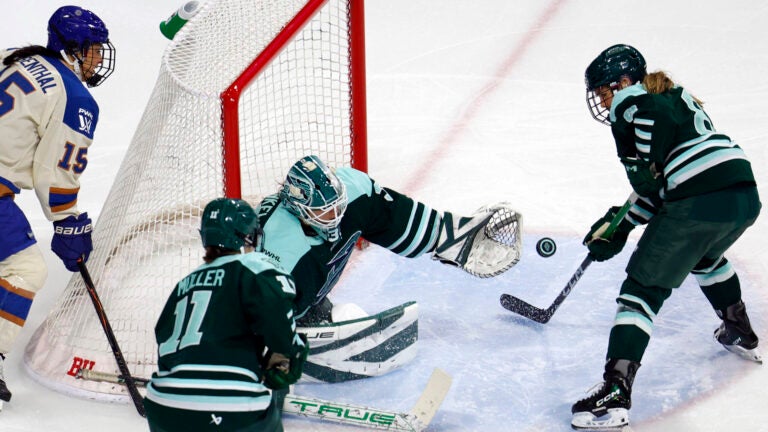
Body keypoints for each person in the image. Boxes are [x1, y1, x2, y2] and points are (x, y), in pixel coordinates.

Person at [570, 44, 762, 430]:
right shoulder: (674, 98)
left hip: (699, 196)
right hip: (742, 192)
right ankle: (739, 329)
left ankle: (615, 391)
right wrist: (621, 223)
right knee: (704, 258)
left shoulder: (634, 100)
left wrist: (621, 223)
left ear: (624, 81)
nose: (604, 100)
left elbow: (660, 181)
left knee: (641, 290)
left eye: (605, 90)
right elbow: (663, 186)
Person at [0, 5, 116, 405]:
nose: (99, 58)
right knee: (26, 268)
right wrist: (68, 222)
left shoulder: (15, 59)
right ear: (71, 50)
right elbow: (55, 174)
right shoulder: (75, 96)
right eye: (94, 49)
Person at [256, 154, 522, 325]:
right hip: (277, 306)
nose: (335, 215)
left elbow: (392, 218)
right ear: (297, 209)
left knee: (366, 209)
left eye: (337, 205)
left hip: (303, 291)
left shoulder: (353, 192)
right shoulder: (277, 247)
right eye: (324, 211)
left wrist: (450, 236)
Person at [144, 198, 309, 432]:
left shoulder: (182, 285)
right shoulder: (253, 266)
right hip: (231, 405)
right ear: (248, 237)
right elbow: (277, 309)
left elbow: (163, 339)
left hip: (162, 406)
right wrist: (291, 350)